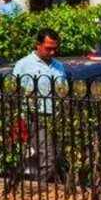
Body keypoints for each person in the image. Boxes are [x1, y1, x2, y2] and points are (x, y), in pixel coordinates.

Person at [12, 28, 67, 181]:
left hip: (56, 117)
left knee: (56, 157)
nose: (52, 53)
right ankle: (41, 190)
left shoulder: (58, 66)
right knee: (47, 156)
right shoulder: (24, 65)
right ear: (38, 44)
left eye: (55, 48)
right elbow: (15, 92)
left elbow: (63, 91)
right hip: (35, 117)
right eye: (49, 48)